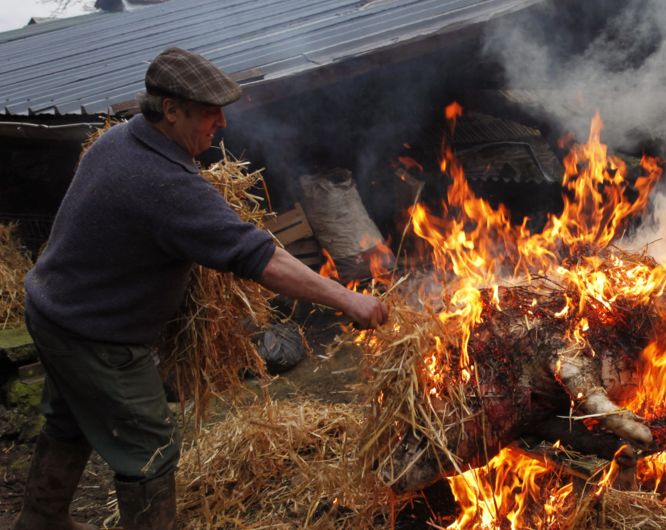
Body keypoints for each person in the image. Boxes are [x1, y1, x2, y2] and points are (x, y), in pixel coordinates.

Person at [13, 47, 388, 530]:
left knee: (69, 420)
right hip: (94, 334)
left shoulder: (122, 140)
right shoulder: (164, 183)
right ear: (171, 110)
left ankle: (39, 520)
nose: (222, 124)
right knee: (150, 448)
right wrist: (348, 297)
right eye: (210, 112)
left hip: (52, 309)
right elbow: (260, 257)